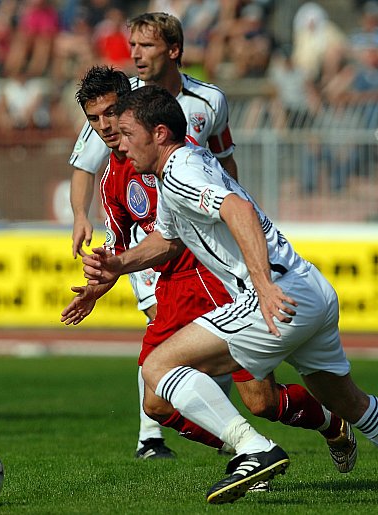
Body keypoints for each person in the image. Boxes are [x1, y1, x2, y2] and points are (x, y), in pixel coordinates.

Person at [82, 84, 378, 505]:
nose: (119, 143)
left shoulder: (180, 172)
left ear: (159, 133)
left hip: (277, 296)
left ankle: (253, 449)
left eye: (126, 132)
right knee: (351, 402)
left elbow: (238, 209)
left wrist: (264, 286)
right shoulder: (183, 165)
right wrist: (117, 267)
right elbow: (168, 240)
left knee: (158, 368)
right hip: (311, 290)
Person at [62, 66, 356, 479]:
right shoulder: (112, 179)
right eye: (94, 119)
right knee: (155, 404)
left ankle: (328, 425)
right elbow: (122, 248)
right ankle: (250, 451)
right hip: (172, 289)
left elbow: (222, 203)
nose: (105, 126)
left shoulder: (170, 152)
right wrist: (98, 285)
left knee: (261, 401)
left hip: (214, 278)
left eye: (112, 112)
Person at [67, 11, 238, 459]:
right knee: (162, 335)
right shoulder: (120, 105)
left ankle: (235, 426)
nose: (136, 55)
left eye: (146, 46)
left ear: (173, 50)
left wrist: (235, 205)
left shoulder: (209, 101)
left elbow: (225, 160)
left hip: (203, 235)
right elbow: (85, 164)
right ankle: (154, 435)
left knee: (211, 341)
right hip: (153, 242)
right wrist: (78, 216)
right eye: (133, 46)